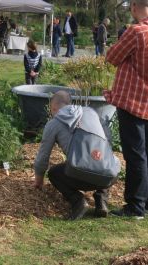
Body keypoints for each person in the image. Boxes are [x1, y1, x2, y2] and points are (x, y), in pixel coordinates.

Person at [34, 91, 119, 220]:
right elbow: (108, 144)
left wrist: (39, 182)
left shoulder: (54, 123)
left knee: (54, 173)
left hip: (79, 174)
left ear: (53, 108)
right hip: (107, 176)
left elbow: (43, 157)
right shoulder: (92, 113)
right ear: (70, 103)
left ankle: (78, 201)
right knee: (109, 161)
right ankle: (102, 199)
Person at [104, 0, 148, 219]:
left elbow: (111, 57)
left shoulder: (137, 32)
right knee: (145, 154)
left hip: (133, 101)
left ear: (133, 7)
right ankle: (145, 203)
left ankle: (135, 207)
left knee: (135, 155)